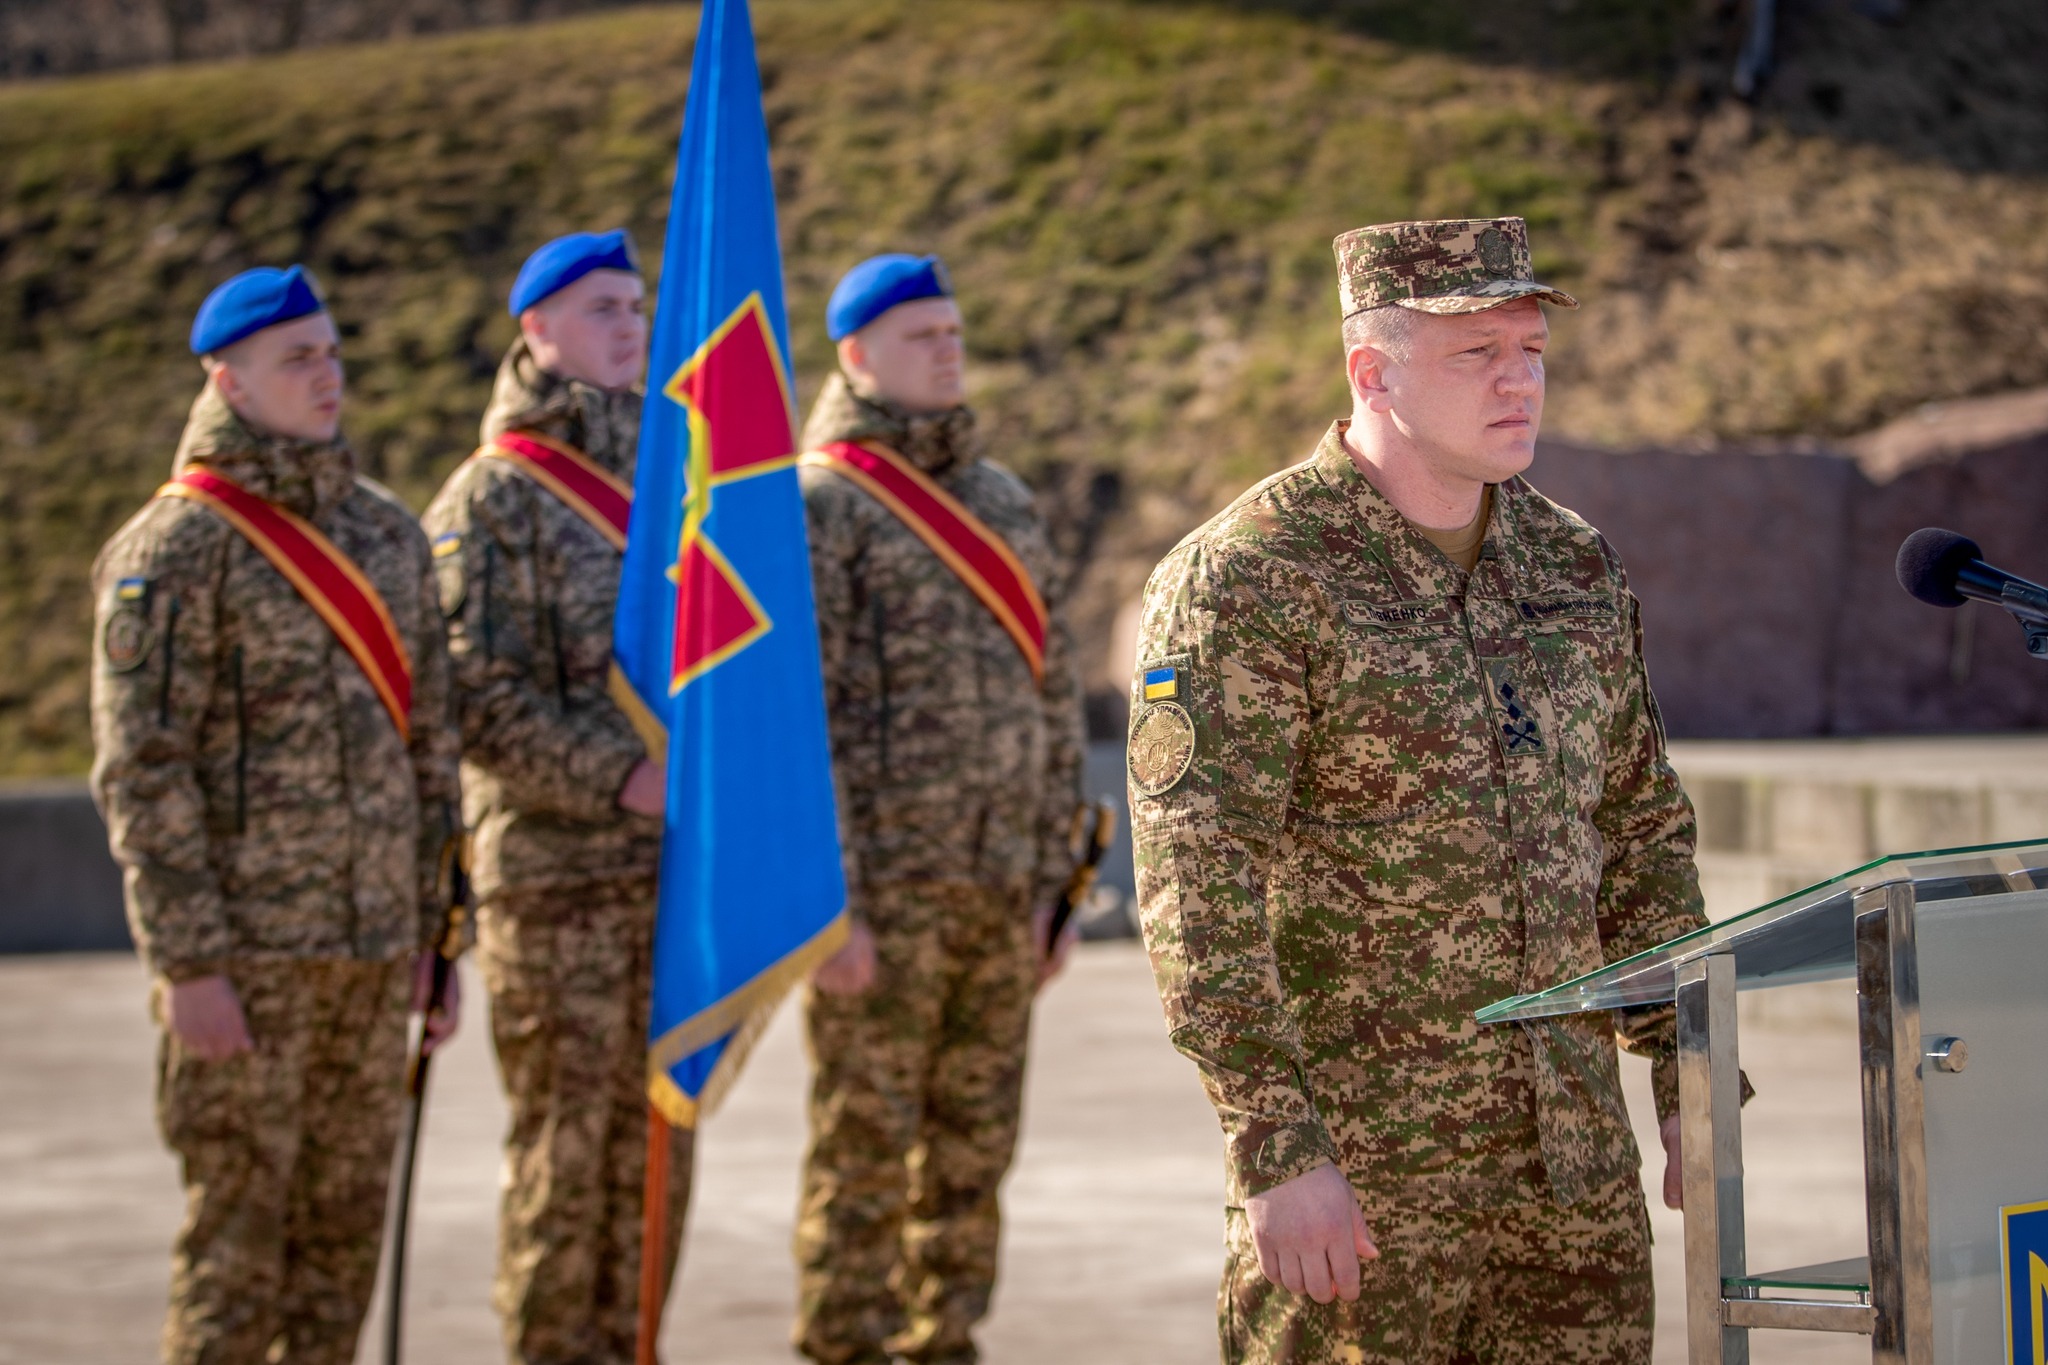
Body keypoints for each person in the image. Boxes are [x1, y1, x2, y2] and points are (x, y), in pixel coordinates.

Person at [1128, 217, 1715, 1364]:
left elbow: (1639, 828)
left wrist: (1688, 1073)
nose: (1519, 381)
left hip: (1570, 1181)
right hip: (1365, 1185)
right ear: (1371, 371)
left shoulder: (1571, 564)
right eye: (1474, 354)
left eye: (1530, 350)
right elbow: (1195, 891)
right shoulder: (1250, 576)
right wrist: (1277, 1152)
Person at [90, 265, 462, 1365]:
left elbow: (429, 752)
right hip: (249, 969)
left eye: (332, 352)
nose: (327, 374)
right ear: (228, 379)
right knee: (236, 1262)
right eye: (297, 357)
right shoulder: (177, 549)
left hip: (370, 956)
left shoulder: (387, 537)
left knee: (336, 1259)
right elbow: (144, 771)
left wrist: (437, 937)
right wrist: (189, 962)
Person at [792, 253, 1086, 1365]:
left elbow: (1052, 700)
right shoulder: (819, 506)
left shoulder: (1002, 499)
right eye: (924, 337)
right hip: (881, 902)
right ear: (857, 356)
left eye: (956, 333)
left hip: (997, 894)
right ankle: (845, 1345)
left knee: (971, 1158)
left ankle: (943, 1343)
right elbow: (799, 724)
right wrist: (826, 908)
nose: (950, 351)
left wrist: (1054, 886)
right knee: (862, 1155)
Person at [421, 229, 691, 1365]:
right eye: (599, 309)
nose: (629, 325)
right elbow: (470, 690)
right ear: (534, 331)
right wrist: (616, 774)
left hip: (669, 880)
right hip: (555, 880)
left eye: (636, 306)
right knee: (563, 1165)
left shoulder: (681, 476)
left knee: (655, 1169)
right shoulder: (493, 498)